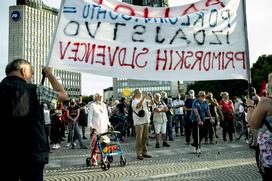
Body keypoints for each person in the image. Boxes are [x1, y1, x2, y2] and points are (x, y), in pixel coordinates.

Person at [0, 59, 68, 181]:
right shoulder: (37, 90)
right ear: (23, 70)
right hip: (32, 152)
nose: (32, 75)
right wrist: (49, 74)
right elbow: (63, 95)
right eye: (31, 72)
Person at [247, 73, 272, 181]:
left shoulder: (266, 102)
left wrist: (250, 106)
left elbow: (253, 124)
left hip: (269, 153)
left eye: (269, 80)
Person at [88, 93, 112, 166]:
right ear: (95, 97)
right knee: (95, 145)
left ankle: (103, 159)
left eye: (101, 96)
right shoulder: (92, 105)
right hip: (96, 128)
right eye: (98, 96)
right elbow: (90, 117)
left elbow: (106, 116)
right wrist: (90, 126)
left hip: (104, 128)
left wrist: (108, 123)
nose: (100, 97)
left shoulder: (104, 105)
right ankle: (94, 159)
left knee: (104, 144)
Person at [132, 89, 153, 160]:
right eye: (139, 93)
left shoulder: (144, 99)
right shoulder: (134, 101)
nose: (141, 94)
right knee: (139, 138)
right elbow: (138, 106)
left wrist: (151, 96)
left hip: (146, 120)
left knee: (145, 138)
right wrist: (144, 97)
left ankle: (144, 152)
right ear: (136, 94)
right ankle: (139, 153)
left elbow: (152, 103)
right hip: (139, 122)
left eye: (141, 93)